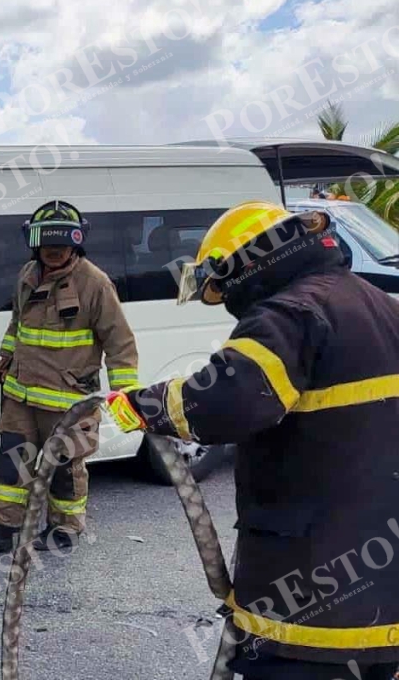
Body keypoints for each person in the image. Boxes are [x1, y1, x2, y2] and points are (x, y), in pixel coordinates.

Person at [105, 201, 399, 680]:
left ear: (249, 267)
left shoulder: (289, 314)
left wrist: (137, 407)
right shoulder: (378, 303)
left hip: (311, 600)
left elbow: (228, 399)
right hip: (381, 593)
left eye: (222, 285)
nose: (223, 297)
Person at [0, 201, 138, 554]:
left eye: (62, 245)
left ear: (76, 243)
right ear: (35, 244)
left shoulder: (95, 283)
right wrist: (5, 358)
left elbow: (119, 341)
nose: (54, 251)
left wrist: (124, 392)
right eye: (47, 245)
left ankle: (65, 530)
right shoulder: (28, 273)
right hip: (21, 394)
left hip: (67, 400)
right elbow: (18, 323)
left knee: (63, 467)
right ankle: (0, 528)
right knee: (12, 459)